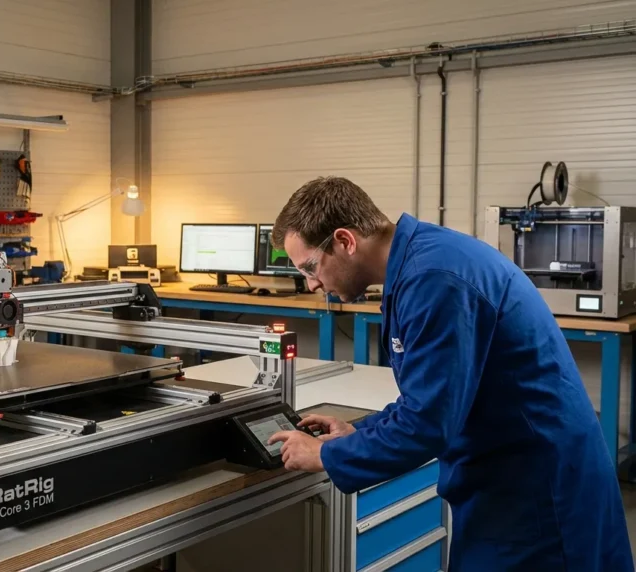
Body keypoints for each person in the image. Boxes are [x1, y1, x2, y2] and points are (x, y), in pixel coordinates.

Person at [265, 177, 633, 570]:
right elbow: (431, 396)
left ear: (344, 241)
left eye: (310, 267)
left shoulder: (433, 279)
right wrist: (362, 432)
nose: (312, 283)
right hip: (511, 473)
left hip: (537, 492)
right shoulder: (419, 261)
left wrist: (326, 453)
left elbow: (427, 424)